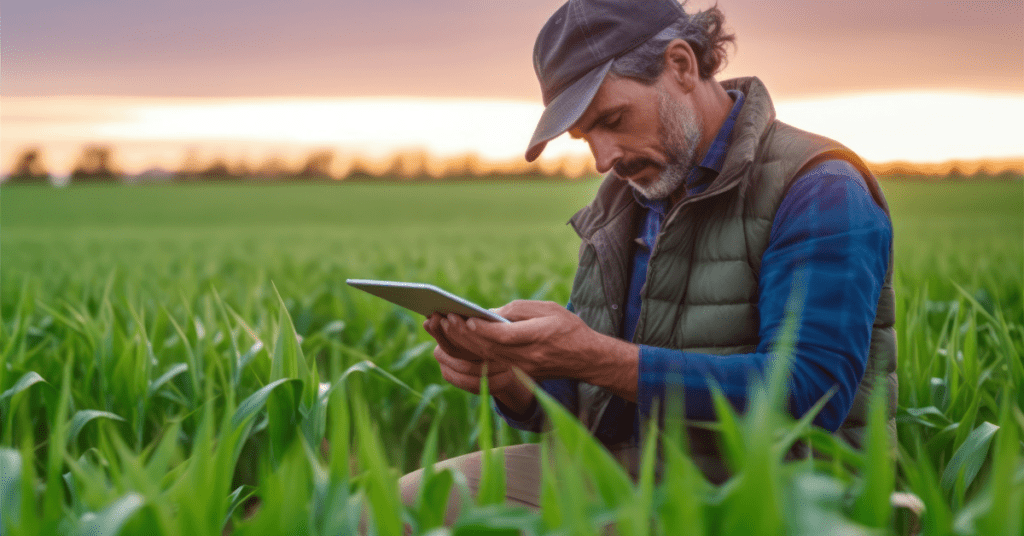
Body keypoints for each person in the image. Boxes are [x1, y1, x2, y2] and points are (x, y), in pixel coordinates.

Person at [402, 0, 896, 522]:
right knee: (387, 509)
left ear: (681, 65)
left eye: (613, 120)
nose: (602, 158)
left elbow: (809, 394)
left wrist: (593, 355)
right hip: (627, 480)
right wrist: (511, 380)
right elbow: (594, 397)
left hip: (776, 503)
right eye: (585, 136)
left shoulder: (818, 188)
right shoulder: (621, 204)